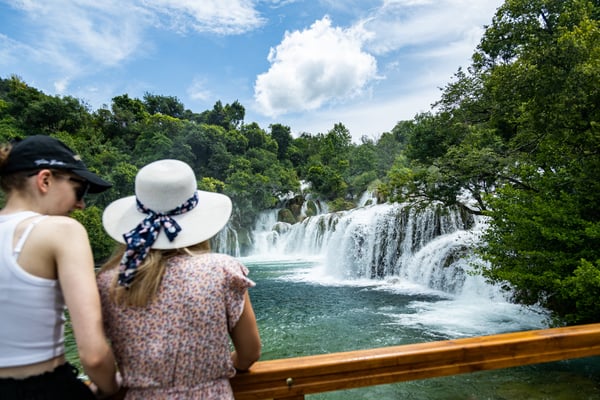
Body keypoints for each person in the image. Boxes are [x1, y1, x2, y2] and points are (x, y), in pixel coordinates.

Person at [97, 158, 261, 399]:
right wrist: (214, 371)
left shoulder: (110, 282)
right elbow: (250, 352)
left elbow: (97, 359)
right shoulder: (223, 271)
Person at [0, 135, 121, 399]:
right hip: (43, 389)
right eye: (80, 189)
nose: (81, 204)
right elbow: (94, 356)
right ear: (45, 180)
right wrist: (112, 389)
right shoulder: (62, 231)